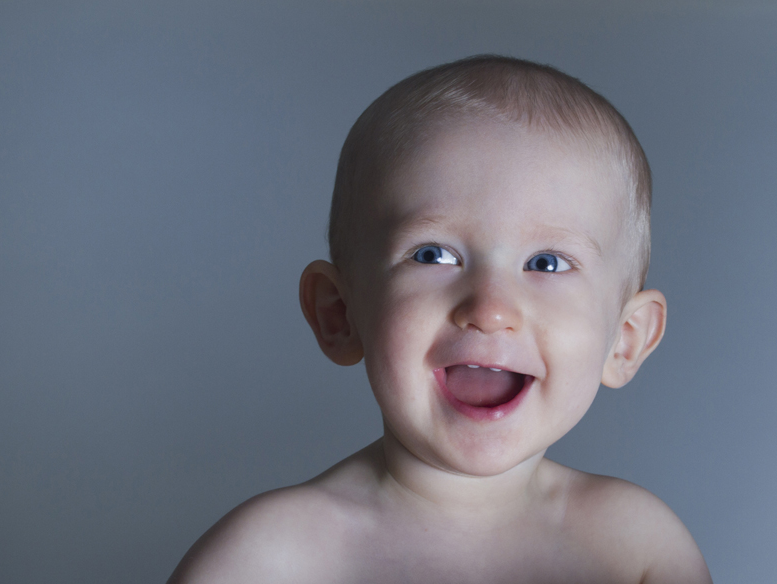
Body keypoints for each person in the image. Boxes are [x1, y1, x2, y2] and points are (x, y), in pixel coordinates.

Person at [169, 55, 712, 583]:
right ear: (339, 313)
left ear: (625, 340)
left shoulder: (637, 550)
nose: (490, 310)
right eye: (433, 255)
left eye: (546, 263)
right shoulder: (268, 559)